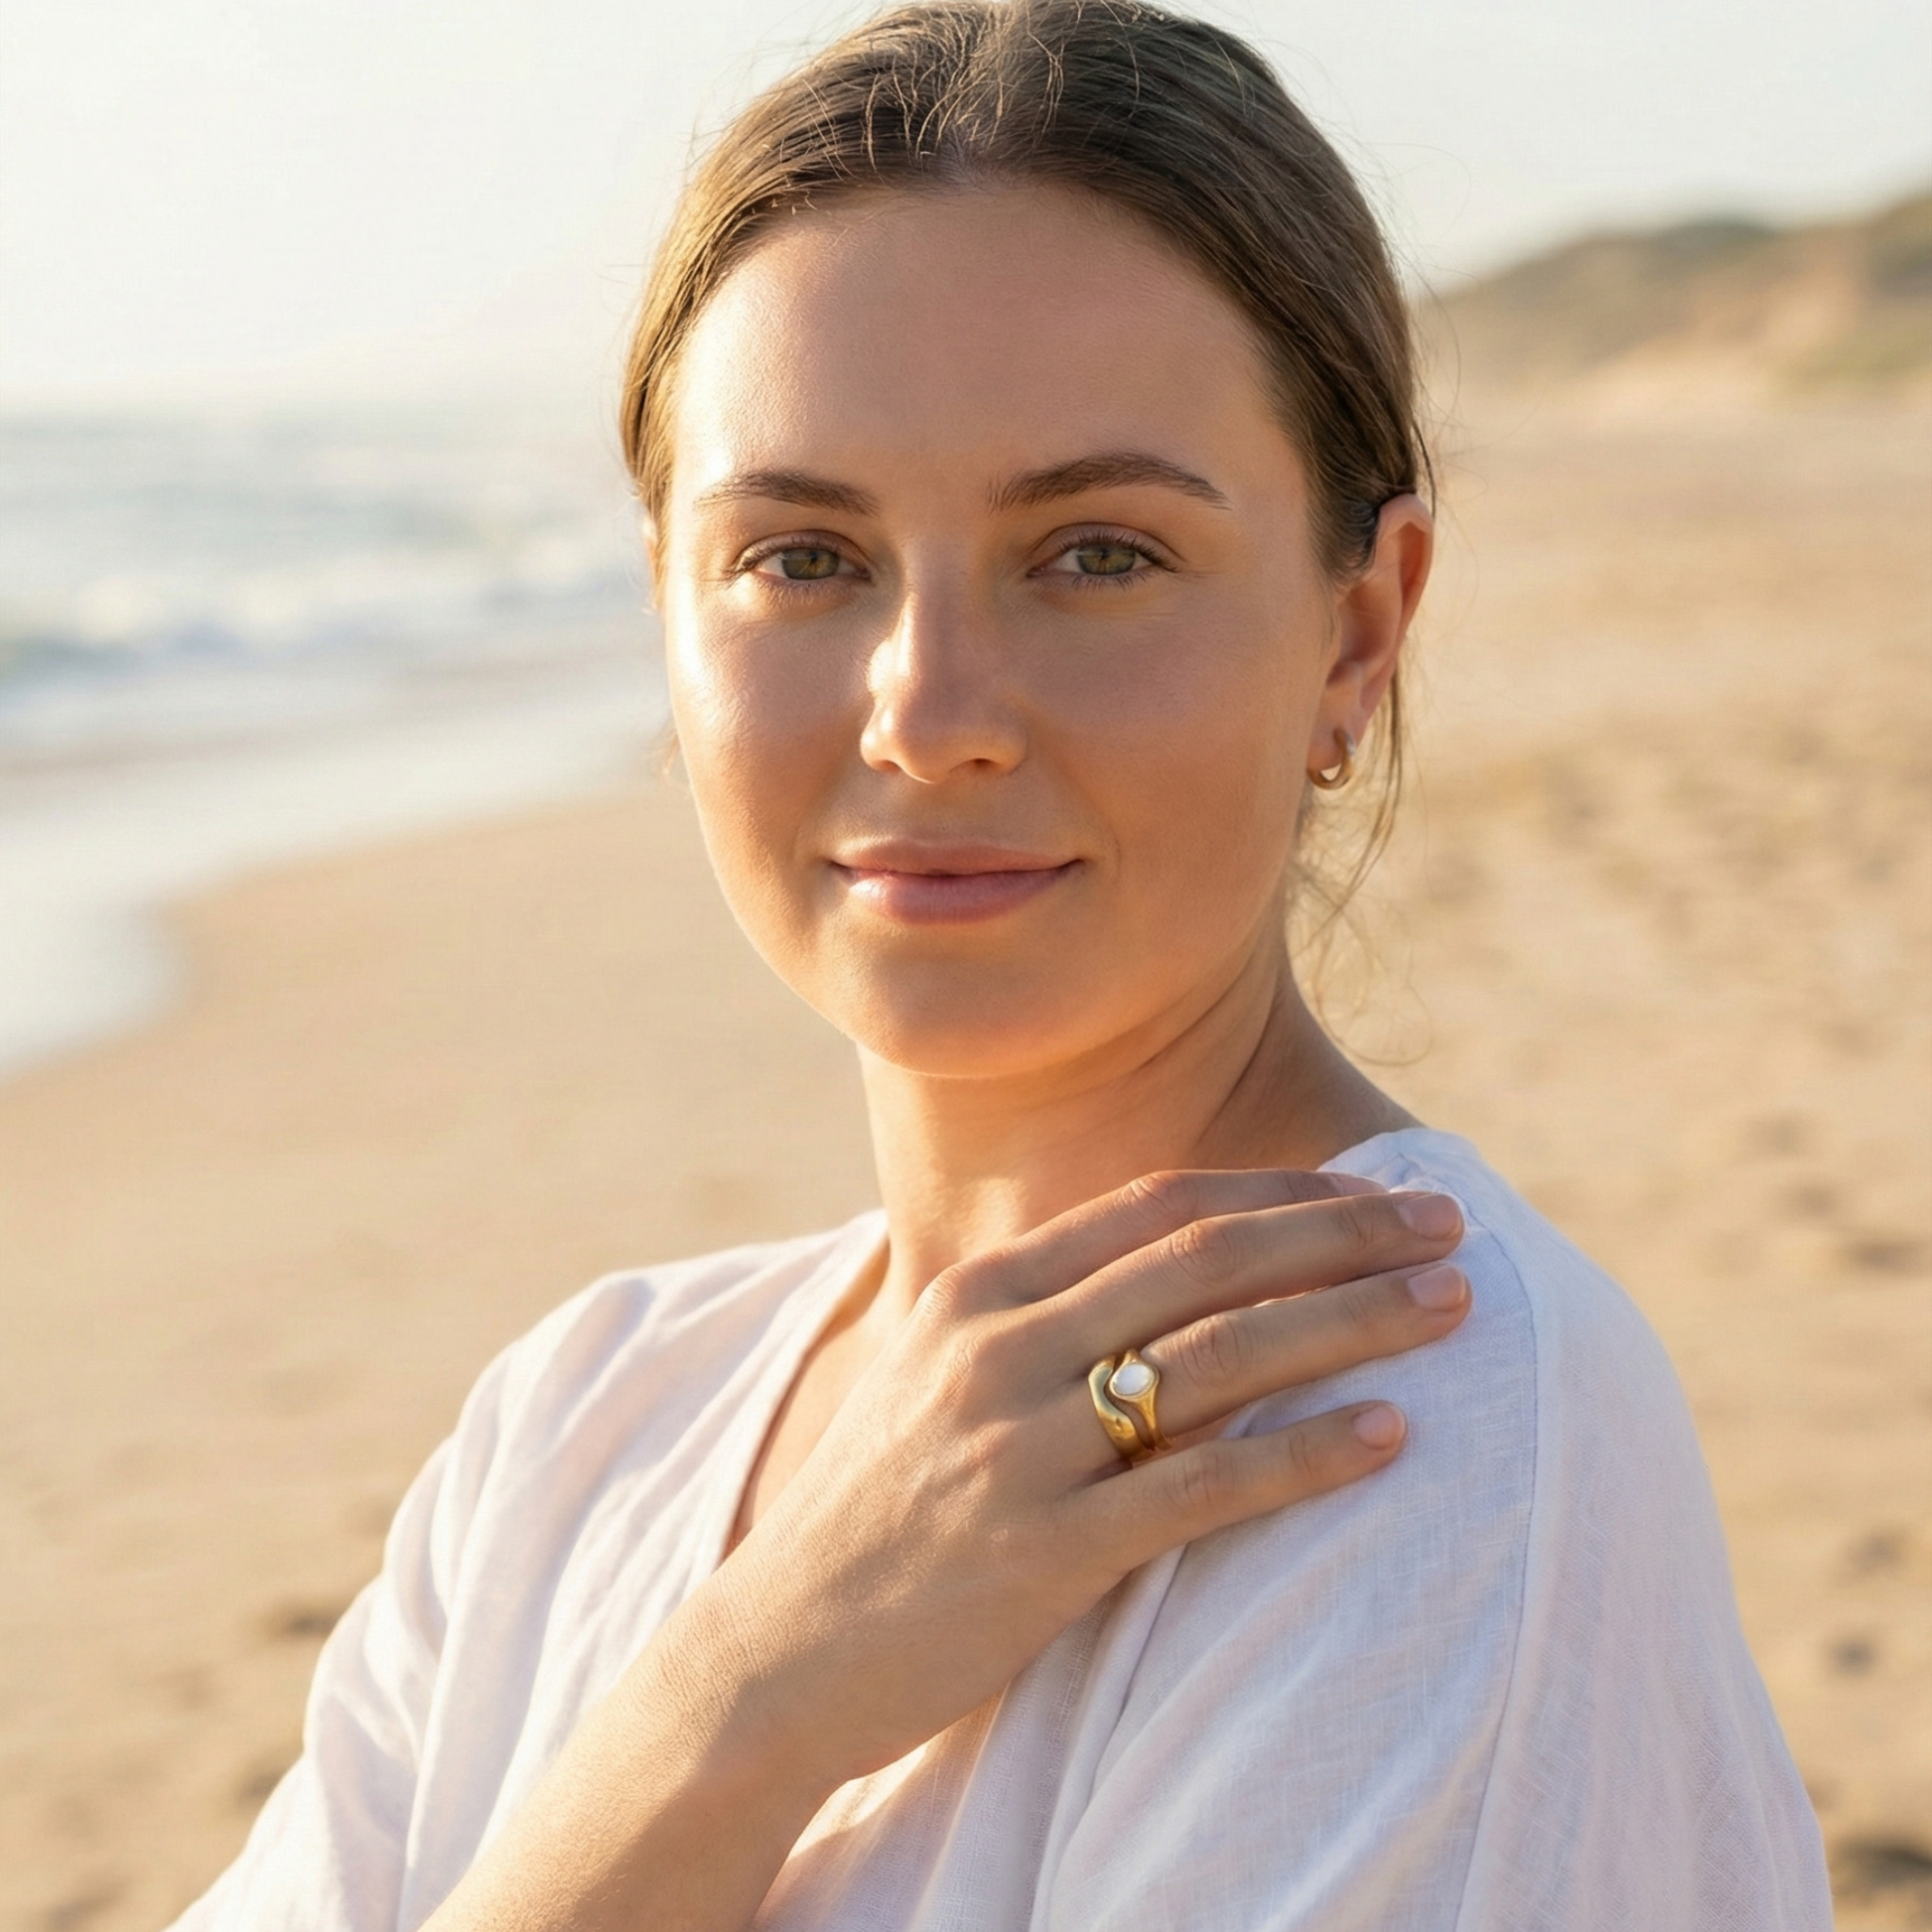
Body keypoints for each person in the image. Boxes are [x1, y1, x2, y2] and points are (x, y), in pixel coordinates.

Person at [172, 3, 1832, 1926]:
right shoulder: (581, 1421)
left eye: (1098, 553)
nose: (930, 711)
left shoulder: (1418, 1423)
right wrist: (739, 1695)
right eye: (803, 557)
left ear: (1357, 636)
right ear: (664, 614)